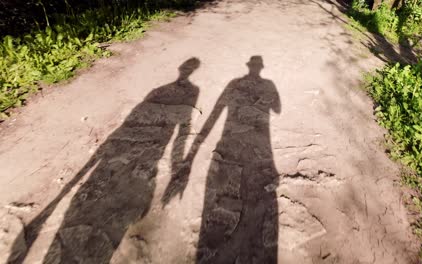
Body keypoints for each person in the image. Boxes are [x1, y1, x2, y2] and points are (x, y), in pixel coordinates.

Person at [9, 58, 201, 264]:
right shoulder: (185, 91)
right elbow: (182, 128)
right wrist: (177, 163)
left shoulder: (163, 90)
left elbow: (178, 126)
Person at [163, 56, 282, 263]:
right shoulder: (267, 84)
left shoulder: (234, 83)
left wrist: (196, 147)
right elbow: (277, 109)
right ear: (260, 68)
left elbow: (217, 111)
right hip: (258, 146)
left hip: (228, 140)